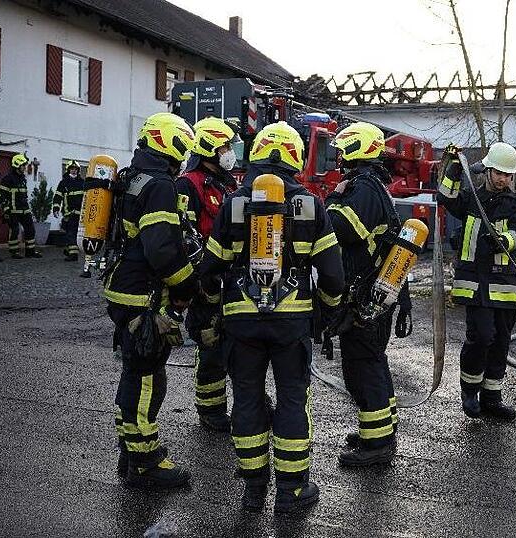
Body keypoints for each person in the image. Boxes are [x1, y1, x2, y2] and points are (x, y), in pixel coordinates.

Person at [196, 121, 344, 513]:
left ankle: (253, 489)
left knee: (246, 398)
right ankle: (291, 492)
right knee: (293, 398)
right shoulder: (311, 205)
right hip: (291, 322)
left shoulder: (233, 203)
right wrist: (325, 312)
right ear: (295, 157)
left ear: (257, 153)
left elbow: (210, 268)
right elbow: (333, 274)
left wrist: (217, 306)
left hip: (241, 322)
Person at [104, 112, 198, 489]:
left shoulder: (133, 176)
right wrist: (186, 285)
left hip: (124, 289)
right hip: (144, 295)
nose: (184, 156)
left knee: (134, 372)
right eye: (182, 147)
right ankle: (145, 462)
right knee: (146, 378)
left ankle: (129, 451)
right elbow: (161, 250)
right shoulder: (159, 185)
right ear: (169, 143)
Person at [324, 122, 411, 467]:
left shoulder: (362, 187)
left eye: (342, 151)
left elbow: (341, 227)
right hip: (375, 293)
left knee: (362, 366)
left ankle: (376, 445)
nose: (339, 158)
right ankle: (381, 428)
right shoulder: (375, 185)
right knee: (373, 361)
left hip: (365, 296)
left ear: (356, 150)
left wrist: (333, 197)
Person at [437, 142, 516, 421]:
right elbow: (445, 196)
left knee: (501, 341)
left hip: (504, 284)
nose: (503, 179)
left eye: (507, 175)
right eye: (498, 173)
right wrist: (455, 167)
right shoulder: (470, 199)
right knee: (481, 337)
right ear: (487, 171)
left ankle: (492, 397)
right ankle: (470, 391)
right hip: (474, 282)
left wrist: (505, 240)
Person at [175, 116, 241, 432]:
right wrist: (200, 279)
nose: (229, 152)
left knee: (239, 344)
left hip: (232, 279)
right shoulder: (188, 183)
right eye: (225, 146)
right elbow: (184, 236)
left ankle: (248, 402)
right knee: (211, 344)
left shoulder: (227, 184)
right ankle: (211, 409)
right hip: (206, 281)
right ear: (209, 148)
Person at [0, 153, 42, 259]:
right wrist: (6, 209)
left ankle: (30, 251)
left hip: (25, 210)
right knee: (15, 230)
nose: (25, 167)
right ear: (17, 165)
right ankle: (14, 252)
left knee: (30, 229)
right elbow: (2, 196)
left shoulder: (22, 178)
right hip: (13, 211)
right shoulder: (7, 179)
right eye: (23, 165)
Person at [53, 160, 84, 261]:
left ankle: (73, 254)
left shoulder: (82, 182)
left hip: (79, 213)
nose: (74, 171)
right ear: (68, 170)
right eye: (72, 169)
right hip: (68, 213)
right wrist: (56, 208)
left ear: (78, 170)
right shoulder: (64, 183)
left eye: (75, 169)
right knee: (68, 232)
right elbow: (58, 196)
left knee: (72, 233)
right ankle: (69, 249)